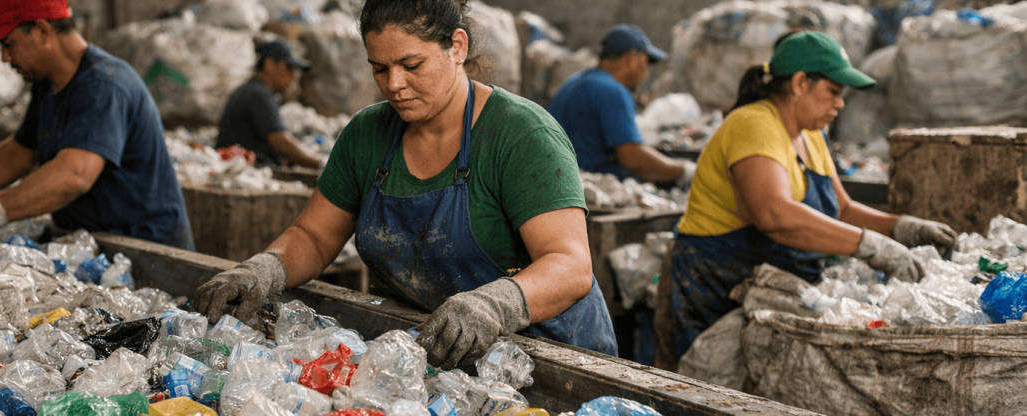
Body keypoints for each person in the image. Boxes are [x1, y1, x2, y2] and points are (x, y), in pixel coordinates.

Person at [194, 0, 617, 369]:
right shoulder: (367, 134)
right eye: (380, 68)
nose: (394, 85)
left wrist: (494, 304)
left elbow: (570, 265)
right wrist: (264, 269)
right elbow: (314, 235)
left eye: (411, 65)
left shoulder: (520, 134)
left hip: (551, 356)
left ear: (457, 47)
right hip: (444, 357)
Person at [666, 30, 958, 360]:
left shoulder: (811, 135)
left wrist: (903, 227)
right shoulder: (753, 124)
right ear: (800, 83)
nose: (840, 103)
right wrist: (871, 245)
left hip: (769, 287)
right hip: (717, 288)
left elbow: (842, 209)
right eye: (833, 91)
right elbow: (774, 215)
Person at [0, 0, 194, 250]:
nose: (5, 58)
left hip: (145, 249)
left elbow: (73, 175)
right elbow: (19, 153)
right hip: (95, 241)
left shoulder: (105, 86)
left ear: (42, 31)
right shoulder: (48, 85)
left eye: (9, 44)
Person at [547, 24, 694, 185]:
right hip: (589, 185)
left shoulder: (572, 83)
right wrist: (684, 171)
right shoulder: (613, 91)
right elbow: (632, 159)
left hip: (556, 180)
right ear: (632, 59)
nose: (645, 73)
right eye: (645, 63)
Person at [215, 40, 322, 168]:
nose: (293, 75)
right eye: (289, 67)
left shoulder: (252, 90)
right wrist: (320, 164)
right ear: (270, 64)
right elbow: (280, 141)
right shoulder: (258, 94)